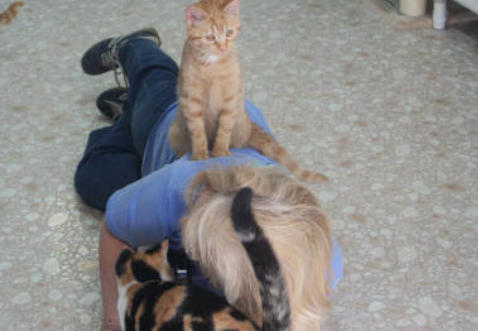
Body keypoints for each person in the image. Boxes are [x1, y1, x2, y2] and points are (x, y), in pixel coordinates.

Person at [74, 28, 343, 330]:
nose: (185, 223)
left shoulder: (321, 270)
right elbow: (114, 229)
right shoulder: (181, 191)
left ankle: (127, 112)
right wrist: (114, 320)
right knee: (148, 91)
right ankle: (135, 48)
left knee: (103, 173)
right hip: (174, 122)